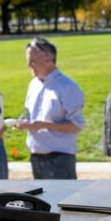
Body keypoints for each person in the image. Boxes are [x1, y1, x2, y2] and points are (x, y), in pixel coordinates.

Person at [17, 37, 84, 179]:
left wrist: (43, 125)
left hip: (60, 159)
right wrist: (25, 122)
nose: (28, 64)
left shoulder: (67, 87)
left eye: (32, 60)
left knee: (62, 201)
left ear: (48, 58)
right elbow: (29, 115)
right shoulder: (33, 85)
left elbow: (77, 125)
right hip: (36, 158)